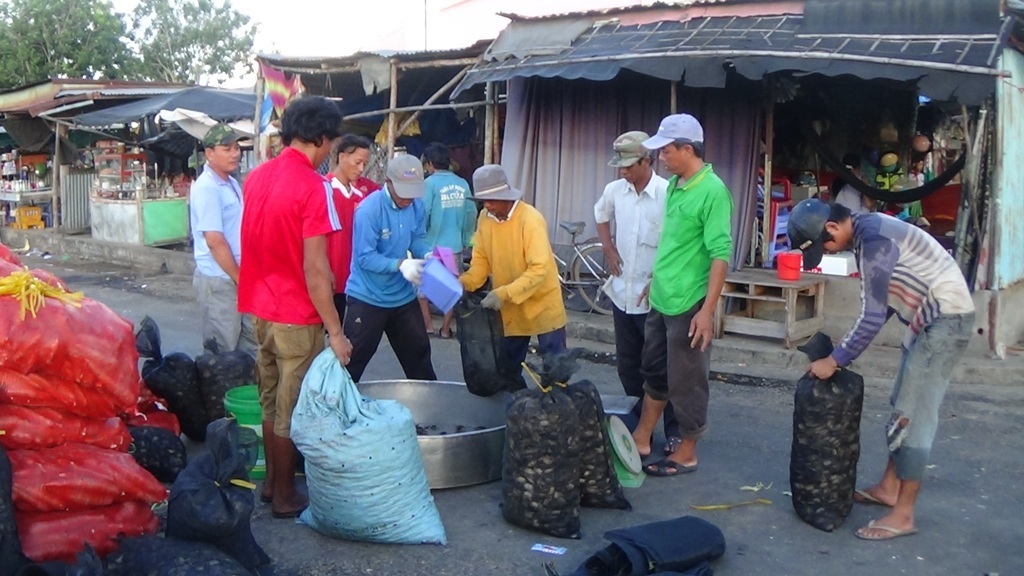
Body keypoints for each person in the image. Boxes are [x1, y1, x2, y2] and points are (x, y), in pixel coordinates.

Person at [787, 198, 974, 541]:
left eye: (823, 246)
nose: (826, 251)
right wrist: (844, 350)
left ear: (832, 227)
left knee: (912, 415)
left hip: (945, 322)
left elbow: (872, 314)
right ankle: (890, 487)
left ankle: (903, 514)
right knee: (902, 404)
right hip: (929, 321)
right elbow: (882, 304)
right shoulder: (867, 230)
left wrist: (836, 359)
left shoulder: (873, 241)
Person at [237, 96, 353, 519]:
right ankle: (285, 495)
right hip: (294, 313)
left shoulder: (257, 177)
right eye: (331, 144)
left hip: (259, 308)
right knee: (291, 406)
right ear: (320, 139)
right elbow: (316, 269)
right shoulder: (312, 186)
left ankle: (271, 484)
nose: (330, 152)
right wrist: (336, 331)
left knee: (270, 399)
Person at [630, 113, 733, 477]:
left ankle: (687, 449)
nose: (661, 158)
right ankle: (642, 436)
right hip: (662, 295)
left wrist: (707, 311)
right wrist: (654, 278)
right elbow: (674, 242)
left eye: (666, 151)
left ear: (687, 150)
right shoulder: (675, 185)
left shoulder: (713, 191)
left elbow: (720, 254)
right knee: (654, 369)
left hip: (689, 302)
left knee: (687, 380)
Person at [592, 131, 681, 453]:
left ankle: (675, 429)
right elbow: (600, 216)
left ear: (648, 160)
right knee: (628, 366)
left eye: (629, 165)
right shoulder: (614, 191)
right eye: (620, 166)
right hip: (622, 293)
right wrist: (608, 248)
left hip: (654, 296)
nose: (623, 171)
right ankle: (641, 425)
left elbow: (678, 240)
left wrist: (662, 274)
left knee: (661, 368)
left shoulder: (667, 193)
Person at [459, 164, 567, 372]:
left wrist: (504, 293)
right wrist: (464, 282)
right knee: (508, 369)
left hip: (542, 303)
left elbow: (539, 268)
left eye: (492, 199)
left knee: (556, 371)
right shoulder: (484, 218)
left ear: (506, 196)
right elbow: (480, 261)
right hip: (510, 306)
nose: (487, 205)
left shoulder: (530, 219)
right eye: (483, 201)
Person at [343, 153, 437, 382]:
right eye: (403, 192)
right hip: (367, 297)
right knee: (351, 362)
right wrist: (400, 264)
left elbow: (417, 237)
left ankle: (431, 411)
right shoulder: (369, 211)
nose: (408, 199)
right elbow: (365, 258)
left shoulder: (416, 206)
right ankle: (336, 410)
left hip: (402, 297)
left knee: (419, 355)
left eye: (413, 193)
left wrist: (427, 253)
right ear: (388, 183)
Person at [189, 123, 256, 357]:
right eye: (227, 148)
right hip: (220, 279)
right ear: (209, 153)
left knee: (249, 345)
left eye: (236, 148)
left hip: (238, 275)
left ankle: (246, 393)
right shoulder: (207, 187)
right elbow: (215, 240)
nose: (235, 153)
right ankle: (221, 395)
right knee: (222, 351)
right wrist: (239, 277)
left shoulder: (232, 183)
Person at [418, 142, 475, 339]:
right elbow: (470, 213)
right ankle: (445, 328)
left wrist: (418, 237)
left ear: (430, 163)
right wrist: (468, 239)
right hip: (454, 247)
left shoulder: (429, 184)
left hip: (431, 246)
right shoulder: (462, 184)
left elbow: (423, 213)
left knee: (423, 286)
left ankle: (427, 326)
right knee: (452, 287)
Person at [327, 134, 377, 322]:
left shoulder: (364, 193)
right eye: (357, 162)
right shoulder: (325, 189)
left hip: (356, 277)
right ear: (341, 157)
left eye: (364, 163)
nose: (361, 169)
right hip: (332, 274)